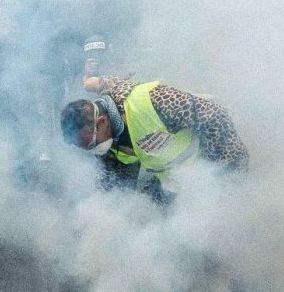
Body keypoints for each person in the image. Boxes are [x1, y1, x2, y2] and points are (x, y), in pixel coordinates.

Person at [61, 75, 248, 200]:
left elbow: (215, 116)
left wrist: (207, 174)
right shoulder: (110, 142)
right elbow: (116, 190)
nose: (95, 150)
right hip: (176, 181)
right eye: (88, 148)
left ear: (101, 122)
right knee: (146, 212)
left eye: (92, 144)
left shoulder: (151, 101)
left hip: (221, 162)